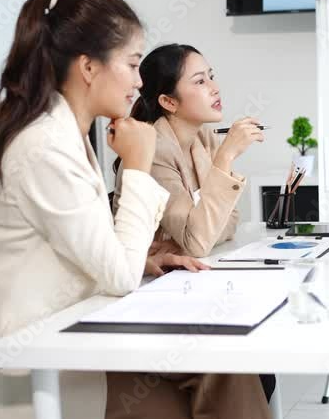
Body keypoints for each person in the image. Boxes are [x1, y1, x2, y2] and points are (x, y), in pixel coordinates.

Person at [0, 0, 181, 419]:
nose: (139, 81)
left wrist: (141, 260)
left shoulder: (65, 135)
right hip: (12, 372)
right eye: (131, 63)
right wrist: (139, 164)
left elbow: (84, 249)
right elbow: (118, 276)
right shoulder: (45, 147)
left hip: (50, 349)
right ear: (88, 67)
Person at [109, 43, 275, 411]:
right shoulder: (155, 151)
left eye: (212, 77)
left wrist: (198, 226)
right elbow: (200, 240)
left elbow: (225, 226)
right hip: (149, 296)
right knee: (236, 359)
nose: (214, 88)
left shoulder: (200, 139)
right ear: (169, 102)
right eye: (200, 81)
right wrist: (227, 157)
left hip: (181, 285)